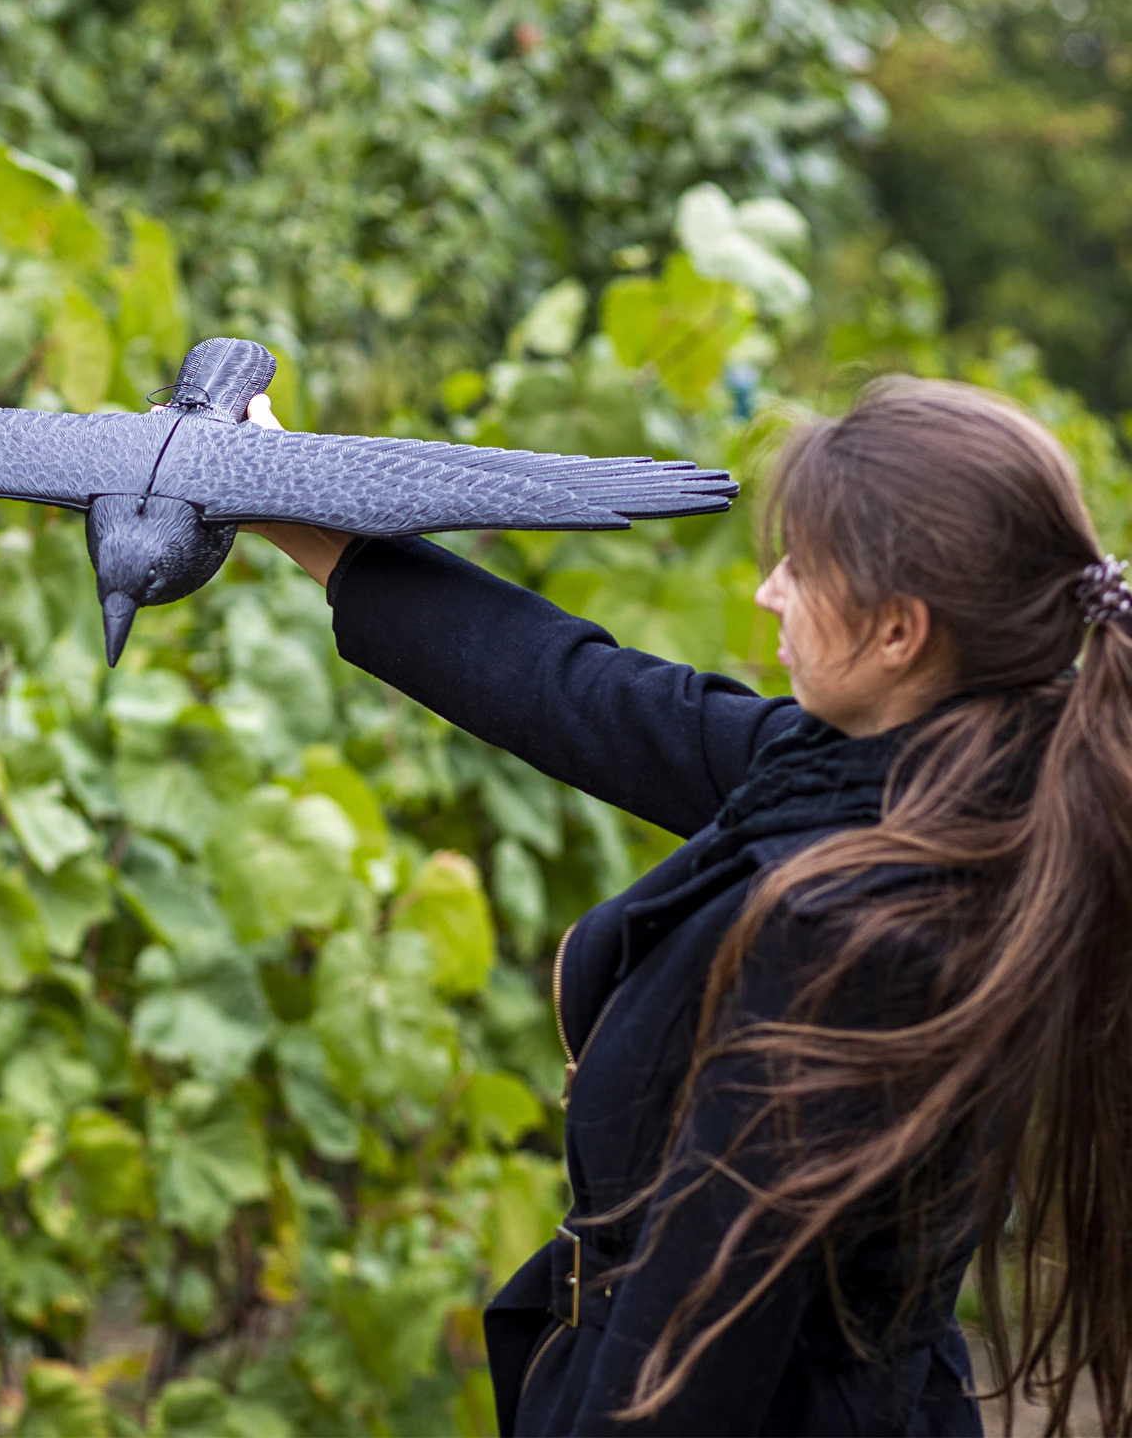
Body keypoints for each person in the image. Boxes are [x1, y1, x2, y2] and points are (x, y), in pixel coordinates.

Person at [242, 376, 1132, 1438]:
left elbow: (692, 1356)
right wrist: (283, 501)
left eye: (801, 568)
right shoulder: (920, 777)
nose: (767, 593)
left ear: (899, 631)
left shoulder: (856, 939)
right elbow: (583, 693)